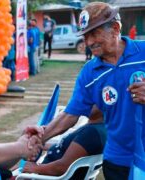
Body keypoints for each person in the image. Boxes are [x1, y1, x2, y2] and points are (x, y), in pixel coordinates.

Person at [36, 2, 145, 180]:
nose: (89, 42)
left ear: (116, 28)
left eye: (94, 33)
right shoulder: (89, 73)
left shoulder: (143, 53)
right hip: (117, 162)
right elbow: (69, 115)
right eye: (85, 36)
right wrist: (40, 137)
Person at [22, 106, 106, 178]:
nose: (87, 102)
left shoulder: (91, 133)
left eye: (93, 99)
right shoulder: (100, 128)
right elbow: (71, 149)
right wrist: (42, 145)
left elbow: (62, 167)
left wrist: (34, 168)